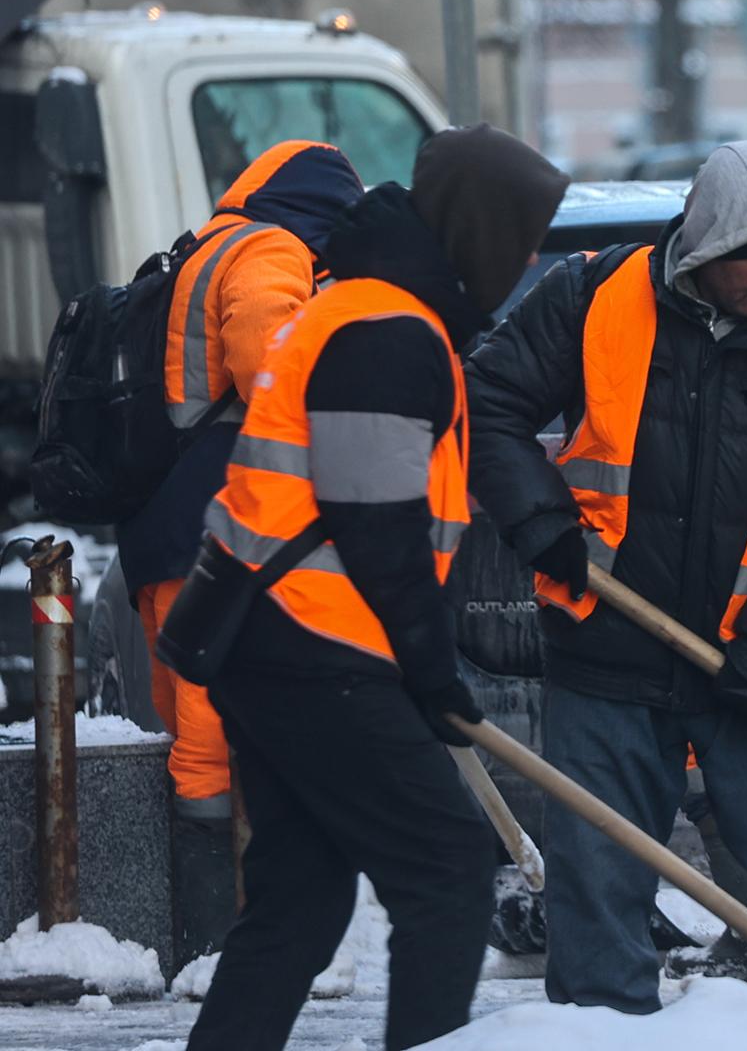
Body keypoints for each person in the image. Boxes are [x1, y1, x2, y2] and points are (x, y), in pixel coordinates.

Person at [466, 139, 747, 1015]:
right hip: (609, 645)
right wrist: (543, 524)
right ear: (706, 244)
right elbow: (487, 404)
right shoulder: (592, 298)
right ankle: (601, 1029)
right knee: (597, 905)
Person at [183, 125, 567, 1051]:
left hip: (277, 641)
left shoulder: (378, 312)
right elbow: (376, 522)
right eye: (518, 240)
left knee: (299, 904)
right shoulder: (385, 331)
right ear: (475, 231)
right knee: (445, 871)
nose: (521, 263)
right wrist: (432, 672)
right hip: (314, 649)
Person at [114, 139, 363, 962]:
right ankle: (215, 939)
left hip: (168, 523)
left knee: (192, 722)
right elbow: (270, 364)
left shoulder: (206, 245)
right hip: (215, 526)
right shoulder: (267, 250)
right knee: (209, 738)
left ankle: (213, 932)